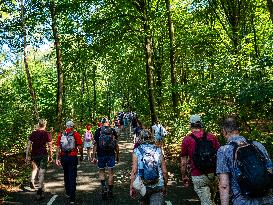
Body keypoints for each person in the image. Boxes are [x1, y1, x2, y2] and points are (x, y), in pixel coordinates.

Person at [217, 117, 273, 205]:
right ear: (237, 130)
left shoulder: (224, 151)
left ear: (224, 131)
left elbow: (224, 185)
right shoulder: (257, 145)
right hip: (267, 199)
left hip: (243, 201)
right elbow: (270, 170)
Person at [180, 114, 220, 205]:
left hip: (198, 175)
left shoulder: (187, 140)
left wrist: (184, 176)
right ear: (200, 123)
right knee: (211, 201)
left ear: (190, 125)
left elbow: (183, 162)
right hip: (213, 175)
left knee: (206, 202)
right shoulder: (211, 137)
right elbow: (219, 154)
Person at [130, 129, 168, 205]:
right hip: (158, 184)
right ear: (151, 138)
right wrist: (165, 185)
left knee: (143, 202)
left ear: (140, 138)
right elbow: (164, 171)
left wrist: (132, 186)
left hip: (142, 185)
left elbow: (134, 171)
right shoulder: (158, 150)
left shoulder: (136, 151)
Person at [55, 120, 83, 205]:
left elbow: (58, 147)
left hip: (64, 157)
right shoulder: (75, 134)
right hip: (72, 157)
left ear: (66, 126)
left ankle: (67, 192)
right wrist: (81, 155)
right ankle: (72, 198)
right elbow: (80, 146)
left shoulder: (61, 134)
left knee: (66, 174)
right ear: (73, 126)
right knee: (72, 176)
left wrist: (57, 158)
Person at [92, 118, 119, 199]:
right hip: (111, 154)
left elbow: (95, 145)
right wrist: (118, 155)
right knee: (110, 173)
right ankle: (110, 191)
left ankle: (104, 188)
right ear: (108, 123)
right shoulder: (113, 131)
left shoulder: (98, 131)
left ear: (101, 123)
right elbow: (116, 145)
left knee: (101, 171)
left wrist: (93, 156)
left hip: (101, 154)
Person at [25, 119, 53, 200]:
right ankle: (39, 191)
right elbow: (50, 146)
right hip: (43, 155)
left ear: (39, 124)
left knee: (34, 168)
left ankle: (32, 180)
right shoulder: (47, 134)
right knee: (42, 172)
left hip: (34, 155)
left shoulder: (33, 133)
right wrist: (51, 155)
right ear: (45, 125)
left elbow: (28, 145)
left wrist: (27, 156)